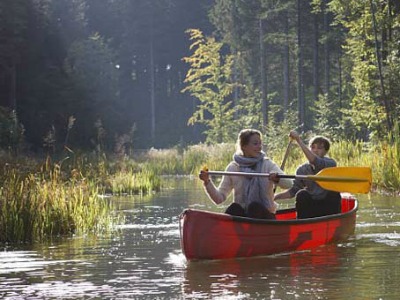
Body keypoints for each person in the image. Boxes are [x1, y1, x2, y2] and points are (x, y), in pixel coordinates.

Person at [199, 129, 293, 219]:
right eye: (255, 144)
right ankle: (229, 232)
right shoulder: (233, 168)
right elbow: (219, 199)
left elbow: (289, 184)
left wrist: (277, 179)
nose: (259, 147)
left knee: (254, 206)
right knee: (234, 208)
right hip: (243, 217)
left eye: (260, 143)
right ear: (244, 146)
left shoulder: (267, 164)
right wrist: (207, 181)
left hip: (265, 216)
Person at [274, 131, 342, 219]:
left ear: (325, 151)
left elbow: (315, 161)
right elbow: (293, 191)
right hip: (312, 207)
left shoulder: (330, 163)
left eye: (319, 148)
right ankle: (303, 223)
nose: (315, 150)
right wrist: (275, 197)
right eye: (313, 147)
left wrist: (298, 140)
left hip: (328, 206)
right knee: (302, 194)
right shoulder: (302, 169)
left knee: (334, 194)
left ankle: (334, 221)